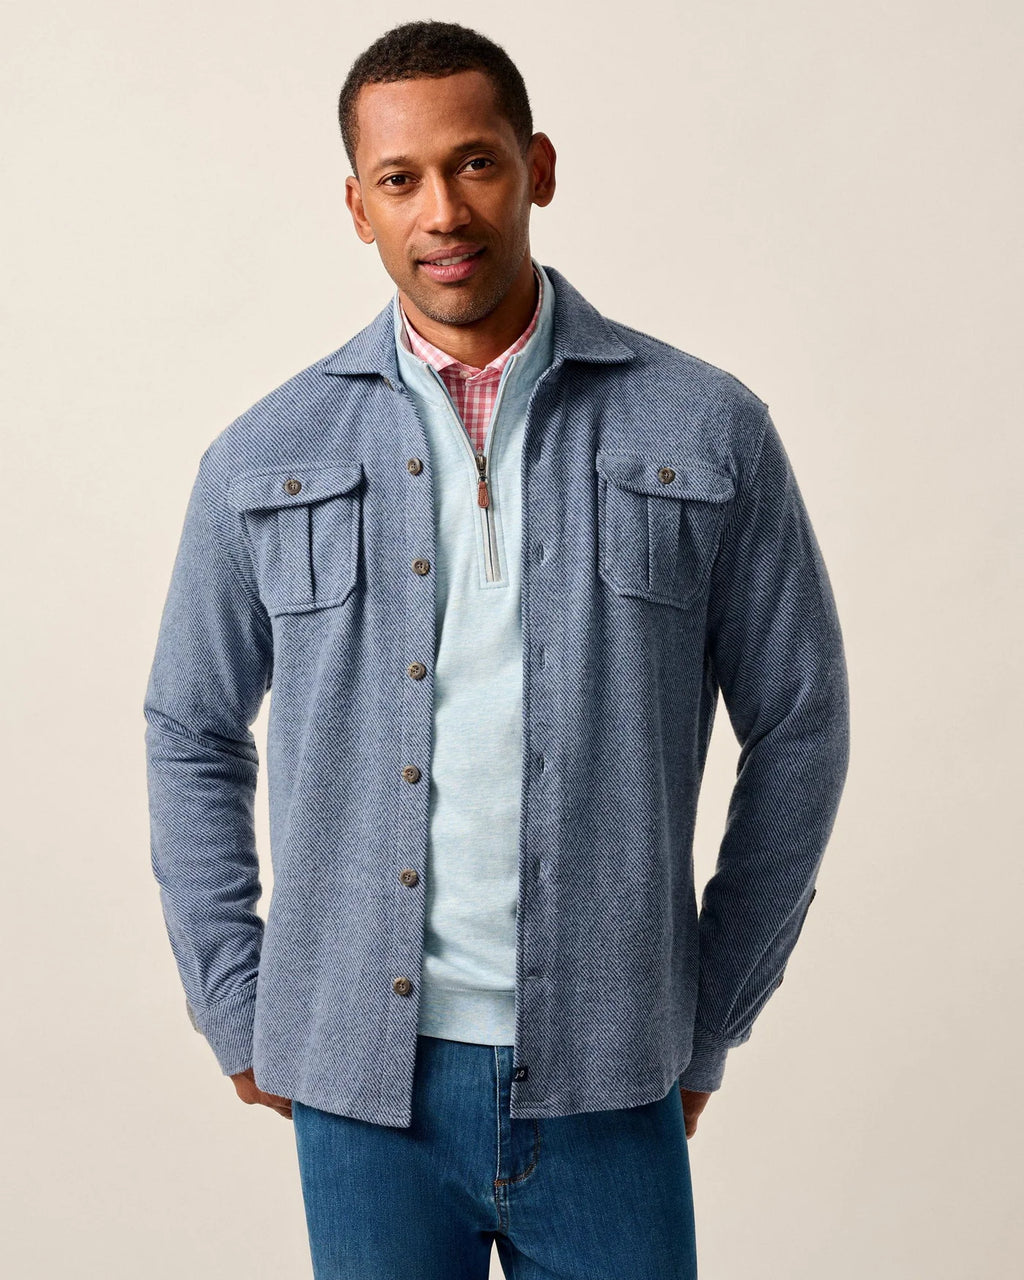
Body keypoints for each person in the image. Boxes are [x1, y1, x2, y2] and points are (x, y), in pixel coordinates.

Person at [143, 19, 850, 1279]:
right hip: (361, 1088)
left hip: (610, 1068)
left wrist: (707, 1010)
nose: (443, 211)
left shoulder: (706, 426)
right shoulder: (265, 453)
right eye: (399, 178)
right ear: (357, 208)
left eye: (474, 162)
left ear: (538, 167)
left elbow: (800, 722)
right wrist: (237, 997)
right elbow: (188, 727)